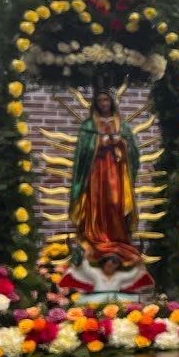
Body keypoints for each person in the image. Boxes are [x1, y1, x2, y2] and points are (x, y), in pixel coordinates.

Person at [69, 88, 142, 266]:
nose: (104, 103)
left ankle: (118, 239)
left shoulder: (122, 126)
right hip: (96, 174)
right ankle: (95, 241)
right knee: (96, 205)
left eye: (106, 100)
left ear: (112, 102)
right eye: (100, 100)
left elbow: (133, 151)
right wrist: (99, 143)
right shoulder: (88, 126)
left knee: (115, 204)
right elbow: (82, 151)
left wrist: (121, 144)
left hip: (116, 172)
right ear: (96, 103)